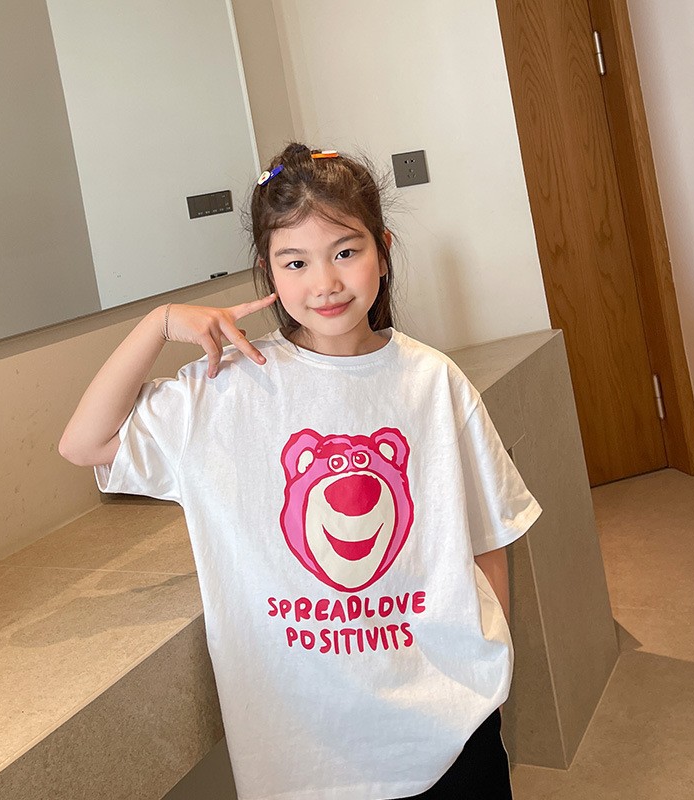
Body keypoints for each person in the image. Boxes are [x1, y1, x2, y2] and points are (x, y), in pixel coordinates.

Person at [59, 142, 542, 800]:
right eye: (296, 262)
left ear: (383, 249)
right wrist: (159, 323)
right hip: (306, 751)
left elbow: (488, 535)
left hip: (451, 724)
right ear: (268, 271)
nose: (325, 283)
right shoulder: (226, 390)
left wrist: (490, 670)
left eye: (345, 252)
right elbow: (84, 444)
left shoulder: (434, 382)